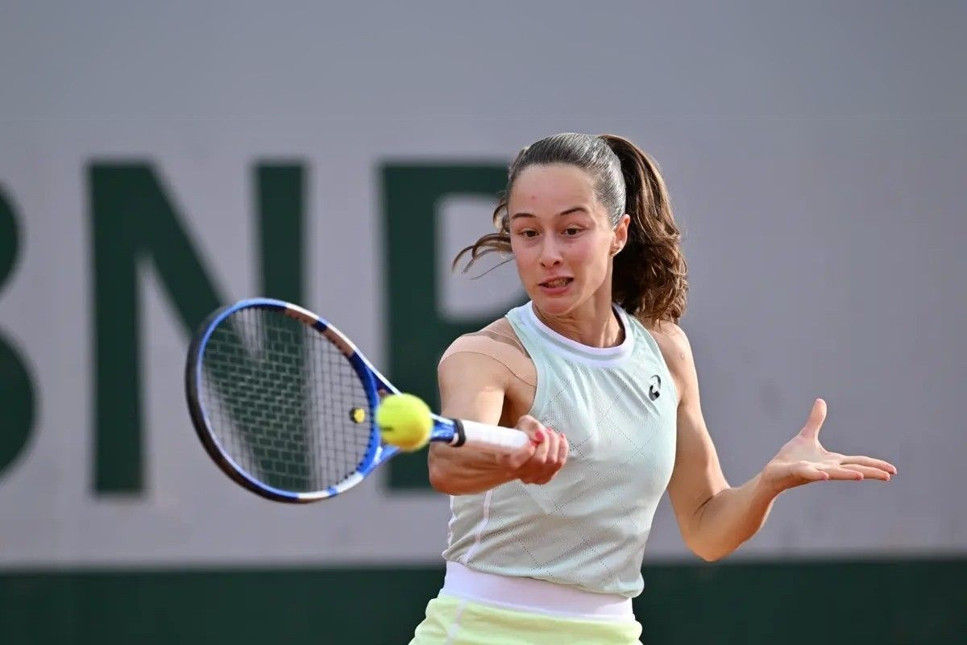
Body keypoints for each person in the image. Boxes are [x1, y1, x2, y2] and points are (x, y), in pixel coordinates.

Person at [407, 133, 896, 645]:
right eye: (529, 234)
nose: (548, 254)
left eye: (571, 230)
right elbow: (449, 463)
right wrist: (510, 460)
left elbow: (707, 527)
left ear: (618, 234)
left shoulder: (665, 351)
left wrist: (768, 484)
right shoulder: (485, 356)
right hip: (481, 632)